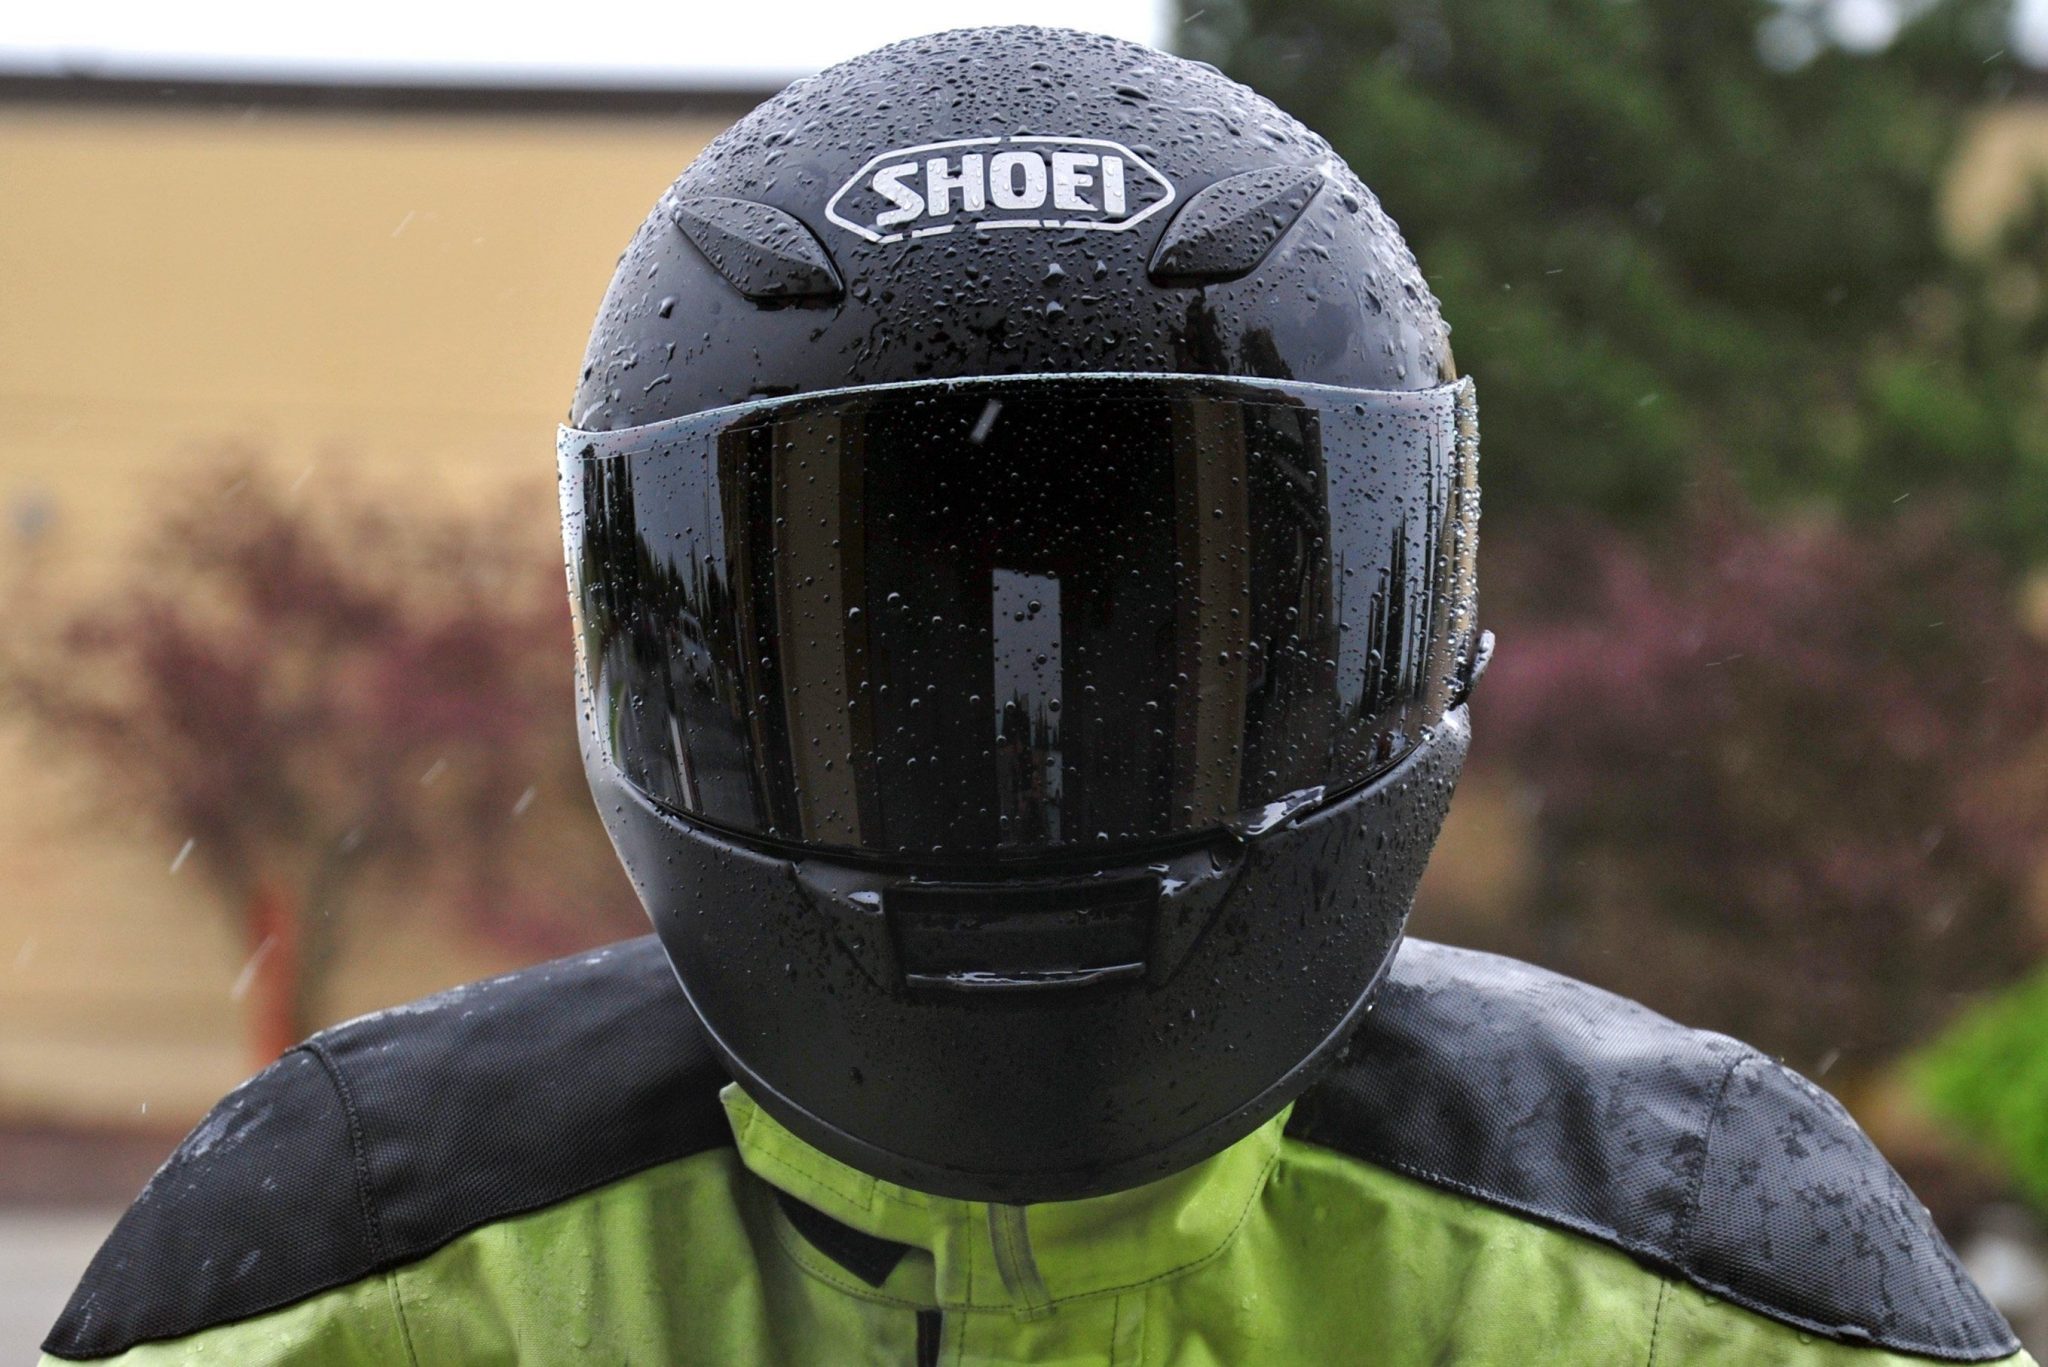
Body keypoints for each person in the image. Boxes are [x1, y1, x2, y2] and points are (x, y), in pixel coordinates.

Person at [39, 26, 2035, 1367]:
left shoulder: (1702, 1279)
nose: (1023, 726)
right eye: (900, 637)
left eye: (1147, 626)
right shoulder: (346, 1280)